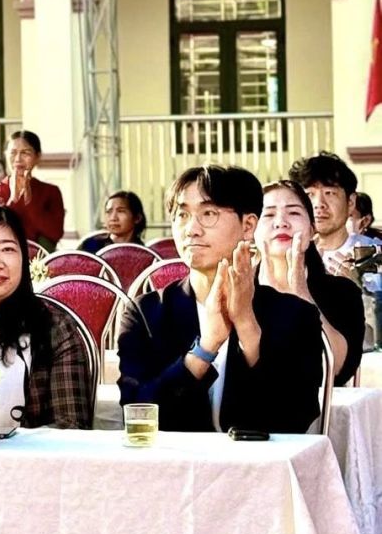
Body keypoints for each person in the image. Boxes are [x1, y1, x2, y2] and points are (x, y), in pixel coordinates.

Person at [118, 165, 322, 434]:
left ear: (248, 225)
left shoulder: (294, 314)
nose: (191, 229)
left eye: (208, 214)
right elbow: (137, 415)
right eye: (182, 215)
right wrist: (205, 348)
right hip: (176, 460)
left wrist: (247, 327)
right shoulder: (146, 313)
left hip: (258, 461)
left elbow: (294, 419)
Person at [0, 203, 93, 429]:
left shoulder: (55, 328)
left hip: (35, 454)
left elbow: (71, 426)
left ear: (23, 258)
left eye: (8, 249)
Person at [255, 181, 363, 386]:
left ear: (312, 229)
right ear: (250, 229)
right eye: (268, 214)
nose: (281, 222)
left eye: (294, 213)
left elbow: (339, 369)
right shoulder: (236, 289)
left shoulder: (342, 292)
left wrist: (301, 293)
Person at [289, 151, 371, 279]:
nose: (319, 204)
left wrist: (356, 287)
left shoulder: (373, 254)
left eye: (329, 193)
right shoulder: (286, 254)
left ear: (350, 202)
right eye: (309, 194)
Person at [0, 130, 65, 251]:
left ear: (37, 156)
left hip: (39, 260)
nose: (18, 159)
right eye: (13, 153)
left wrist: (28, 200)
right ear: (5, 155)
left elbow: (55, 233)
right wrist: (12, 201)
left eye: (25, 153)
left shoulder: (50, 192)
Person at [79, 191, 147, 253]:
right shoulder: (91, 245)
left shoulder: (143, 252)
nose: (113, 218)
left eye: (120, 211)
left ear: (137, 218)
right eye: (109, 212)